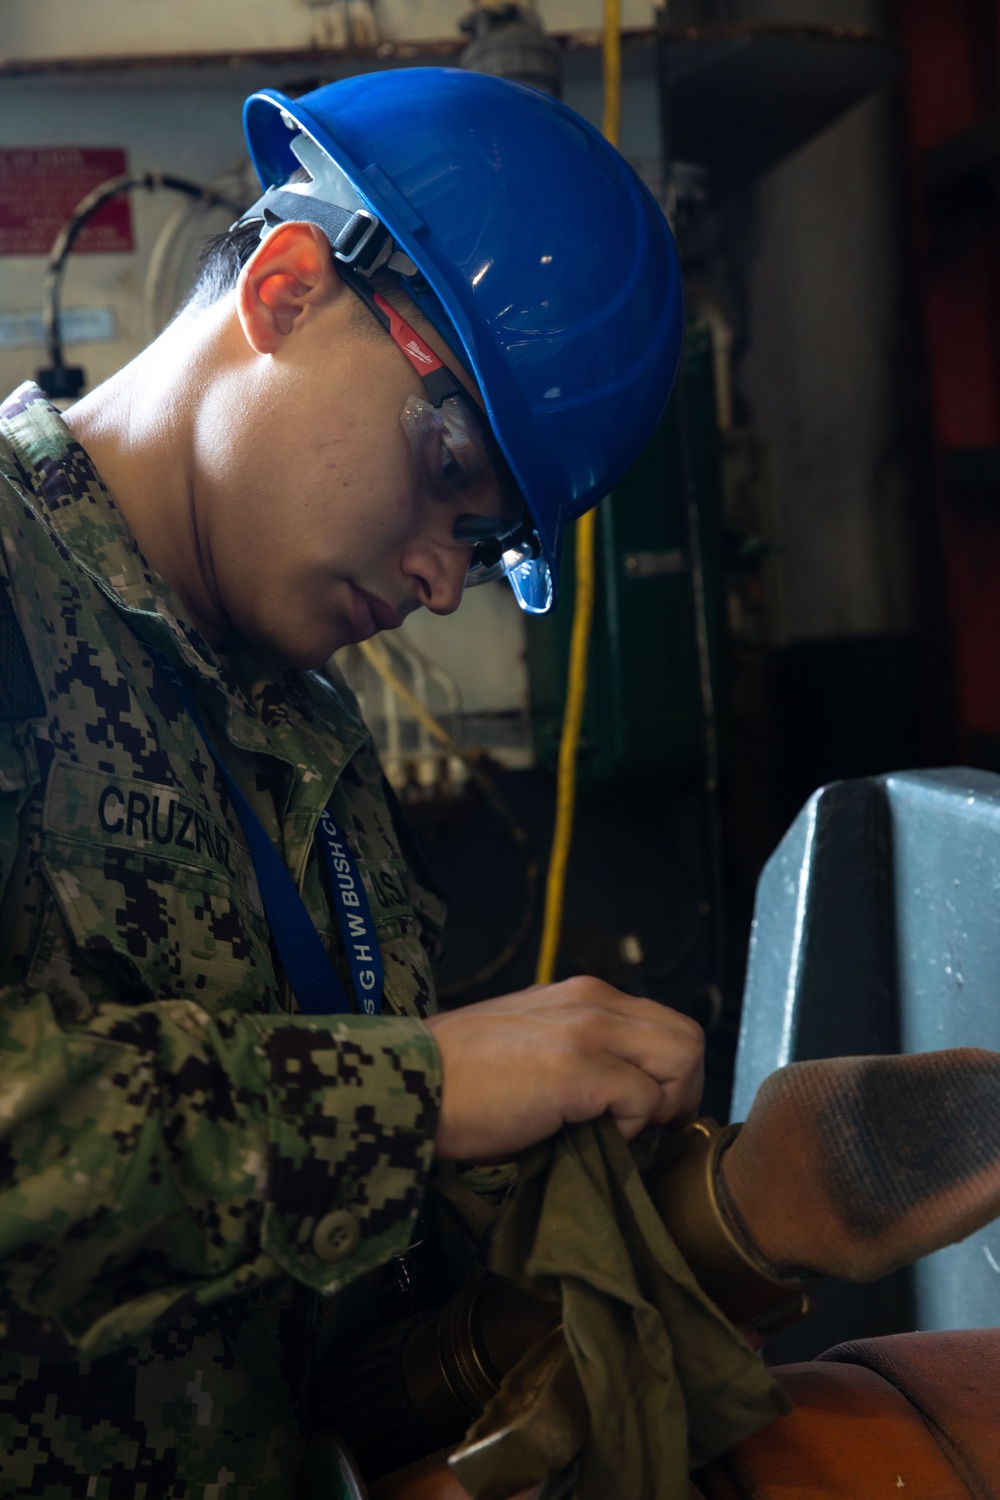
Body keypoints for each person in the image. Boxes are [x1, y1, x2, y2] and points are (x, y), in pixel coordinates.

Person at [0, 68, 701, 1497]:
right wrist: (415, 1095)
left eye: (490, 538)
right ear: (289, 288)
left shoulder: (301, 734)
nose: (443, 577)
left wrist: (709, 1227)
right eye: (447, 464)